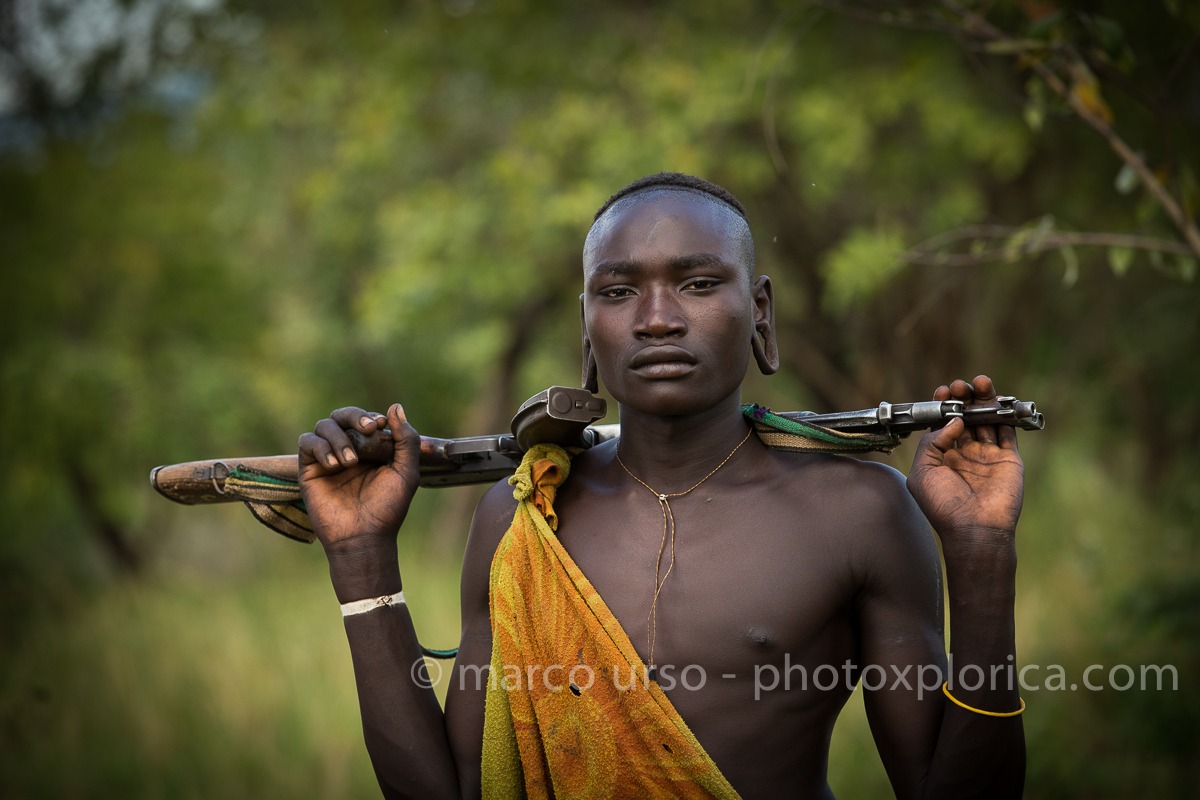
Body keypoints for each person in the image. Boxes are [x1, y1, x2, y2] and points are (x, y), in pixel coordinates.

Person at [298, 173, 1026, 799]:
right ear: (588, 330)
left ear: (761, 311)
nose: (656, 320)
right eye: (617, 292)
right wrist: (362, 558)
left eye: (699, 283)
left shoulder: (856, 512)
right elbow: (448, 792)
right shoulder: (525, 518)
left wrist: (981, 552)